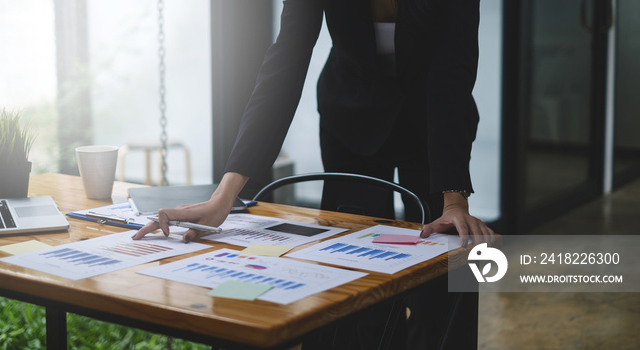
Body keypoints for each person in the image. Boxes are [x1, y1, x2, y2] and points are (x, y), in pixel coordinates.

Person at [134, 0, 494, 348]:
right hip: (352, 118)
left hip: (437, 124)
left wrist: (454, 198)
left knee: (451, 269)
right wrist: (223, 197)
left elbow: (453, 69)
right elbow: (286, 61)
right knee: (354, 277)